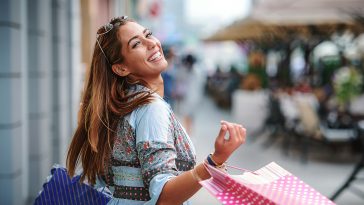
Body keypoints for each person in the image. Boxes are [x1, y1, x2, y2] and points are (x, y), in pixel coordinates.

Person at [66, 16, 246, 205]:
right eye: (136, 44)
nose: (151, 43)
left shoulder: (119, 107)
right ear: (121, 68)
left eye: (148, 34)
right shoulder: (150, 108)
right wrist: (215, 160)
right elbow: (164, 197)